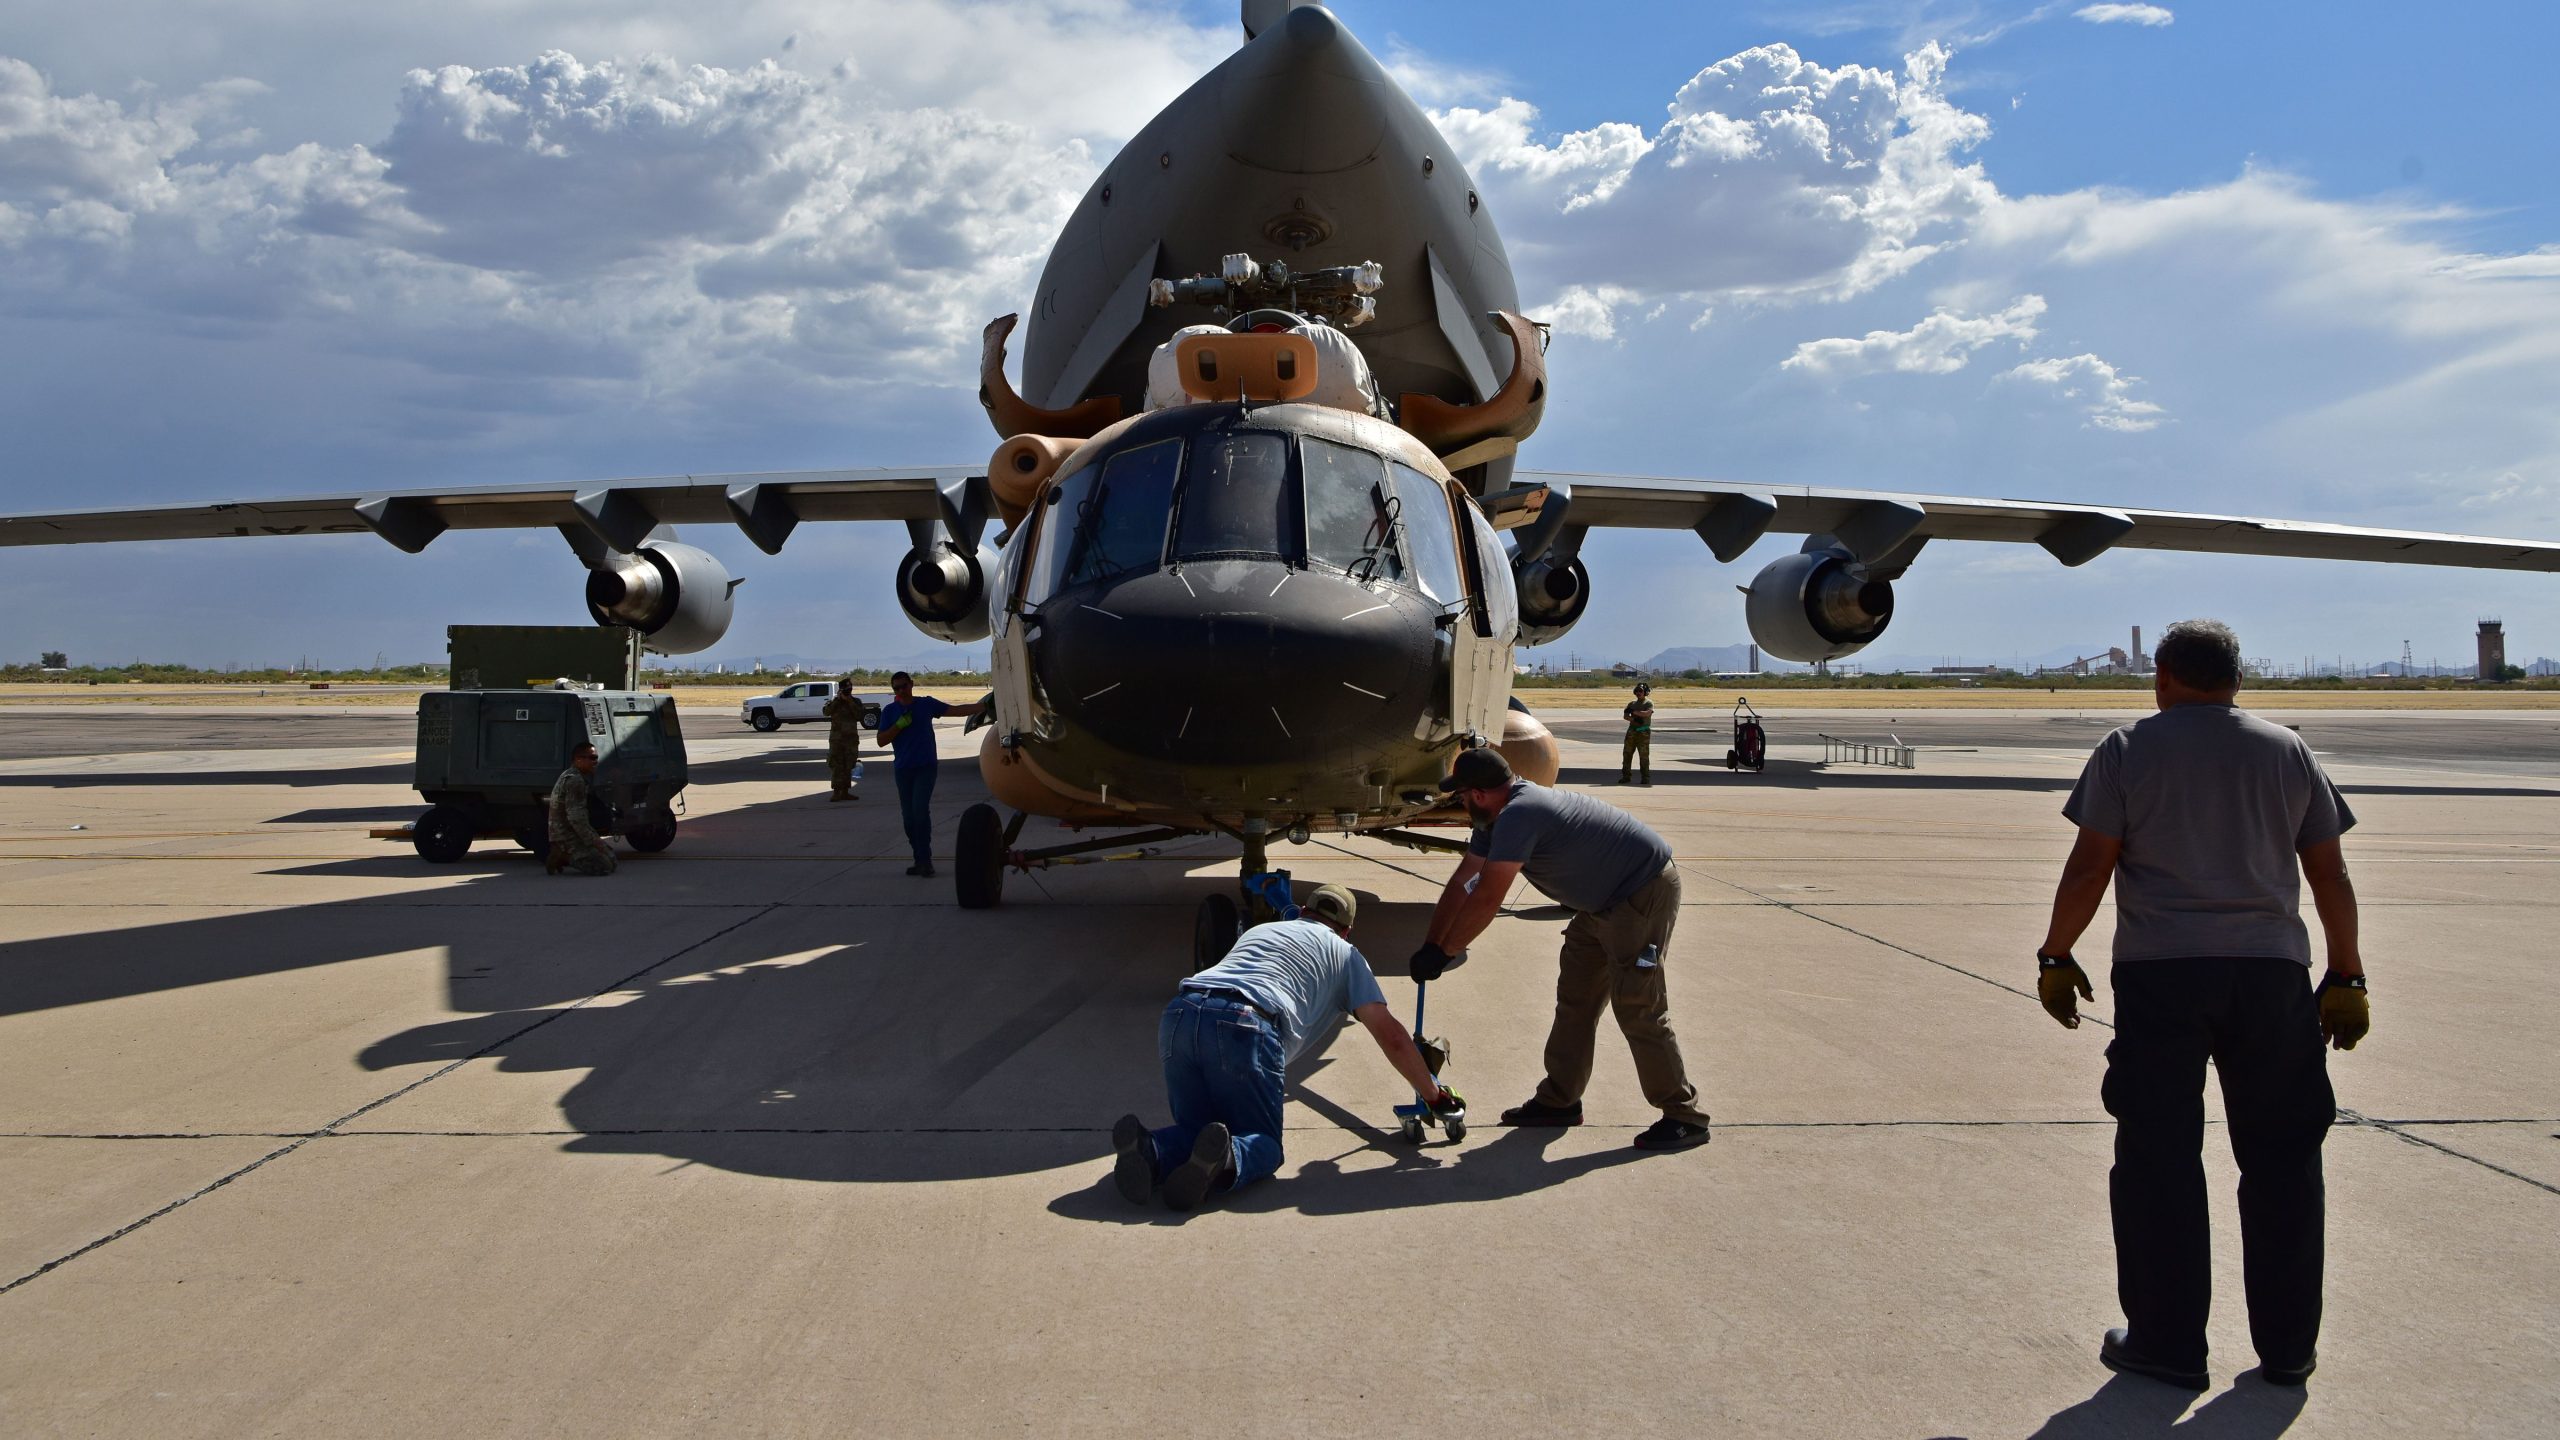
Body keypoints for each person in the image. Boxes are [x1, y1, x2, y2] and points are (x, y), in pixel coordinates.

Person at [2035, 619, 2369, 1392]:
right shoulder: (2287, 750)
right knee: (2284, 1160)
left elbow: (2090, 868)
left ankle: (2169, 1344)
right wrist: (2347, 974)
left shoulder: (2127, 749)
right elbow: (2330, 874)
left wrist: (2056, 953)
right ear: (2236, 679)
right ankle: (2288, 1348)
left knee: (2159, 1160)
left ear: (2162, 677)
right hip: (2271, 977)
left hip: (2162, 977)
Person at [1413, 747, 1711, 1151]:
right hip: (1600, 903)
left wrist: (1448, 950)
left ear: (1478, 793)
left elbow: (1487, 896)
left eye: (1462, 796)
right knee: (1576, 999)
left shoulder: (1521, 813)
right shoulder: (1494, 819)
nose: (1462, 803)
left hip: (1641, 891)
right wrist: (1432, 943)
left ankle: (1684, 1116)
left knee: (1638, 1005)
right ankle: (1559, 1101)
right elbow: (1464, 880)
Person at [1111, 884, 1459, 1211]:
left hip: (1181, 1013)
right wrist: (1434, 1095)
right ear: (1347, 930)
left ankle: (1149, 1149)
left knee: (1197, 1128)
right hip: (1245, 1023)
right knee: (1264, 1143)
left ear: (1304, 911)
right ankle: (1227, 1157)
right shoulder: (1345, 954)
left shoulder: (1260, 931)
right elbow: (1392, 1037)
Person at [873, 672, 986, 878]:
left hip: (925, 768)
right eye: (897, 688)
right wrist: (898, 726)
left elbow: (956, 711)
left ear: (912, 684)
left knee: (920, 812)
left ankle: (925, 860)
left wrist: (984, 706)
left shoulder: (926, 704)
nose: (901, 691)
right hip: (903, 770)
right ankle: (919, 858)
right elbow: (881, 741)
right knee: (909, 819)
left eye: (904, 686)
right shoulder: (890, 711)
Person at [545, 742, 617, 877]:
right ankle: (562, 856)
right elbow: (576, 819)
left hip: (570, 832)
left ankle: (567, 853)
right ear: (578, 759)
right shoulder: (575, 781)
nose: (595, 762)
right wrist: (595, 841)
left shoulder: (571, 774)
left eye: (596, 758)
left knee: (612, 860)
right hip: (566, 836)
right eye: (592, 758)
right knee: (604, 867)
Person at [821, 678, 865, 802]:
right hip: (837, 740)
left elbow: (859, 715)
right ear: (840, 689)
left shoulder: (856, 701)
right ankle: (836, 792)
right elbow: (826, 712)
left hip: (851, 739)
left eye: (849, 689)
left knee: (849, 764)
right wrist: (838, 699)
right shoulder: (834, 702)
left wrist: (849, 701)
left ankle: (845, 792)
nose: (848, 691)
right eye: (846, 689)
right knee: (836, 765)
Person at [1620, 681, 1654, 785]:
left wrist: (1634, 712)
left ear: (1645, 692)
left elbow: (1647, 713)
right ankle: (1626, 776)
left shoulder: (1648, 703)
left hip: (1643, 732)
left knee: (1644, 756)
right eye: (1637, 691)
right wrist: (1634, 720)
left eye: (1641, 691)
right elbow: (1625, 716)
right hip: (1632, 731)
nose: (1638, 693)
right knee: (1627, 754)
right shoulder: (1632, 704)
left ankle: (1645, 777)